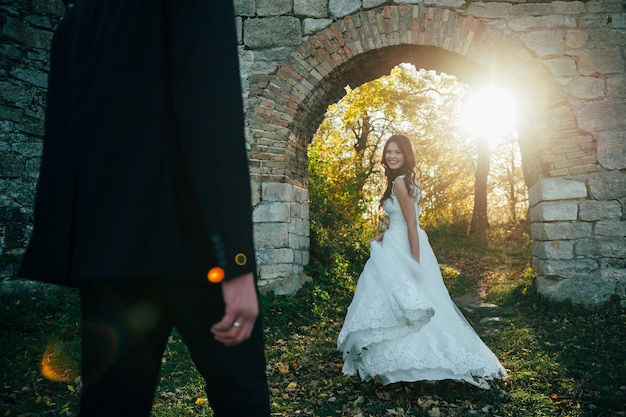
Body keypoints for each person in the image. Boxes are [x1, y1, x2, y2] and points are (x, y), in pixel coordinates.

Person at [17, 0, 271, 416]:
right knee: (242, 401)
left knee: (111, 406)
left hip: (108, 253)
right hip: (194, 248)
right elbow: (210, 115)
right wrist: (236, 262)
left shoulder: (81, 15)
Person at [337, 134, 507, 389]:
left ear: (406, 155)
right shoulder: (404, 181)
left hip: (406, 247)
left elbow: (412, 225)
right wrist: (383, 236)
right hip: (398, 241)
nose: (391, 156)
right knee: (400, 299)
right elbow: (405, 221)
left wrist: (414, 262)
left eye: (397, 152)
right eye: (388, 152)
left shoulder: (400, 183)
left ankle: (418, 357)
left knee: (405, 299)